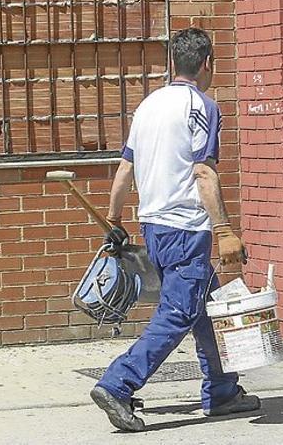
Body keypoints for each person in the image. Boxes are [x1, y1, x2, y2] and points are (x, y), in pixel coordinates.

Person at [90, 28, 259, 432]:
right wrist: (224, 230)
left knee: (206, 306)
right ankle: (118, 383)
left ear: (172, 63)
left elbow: (125, 169)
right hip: (186, 228)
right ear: (207, 64)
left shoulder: (148, 106)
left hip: (154, 227)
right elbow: (203, 171)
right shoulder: (201, 106)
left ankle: (221, 390)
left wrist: (114, 220)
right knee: (179, 312)